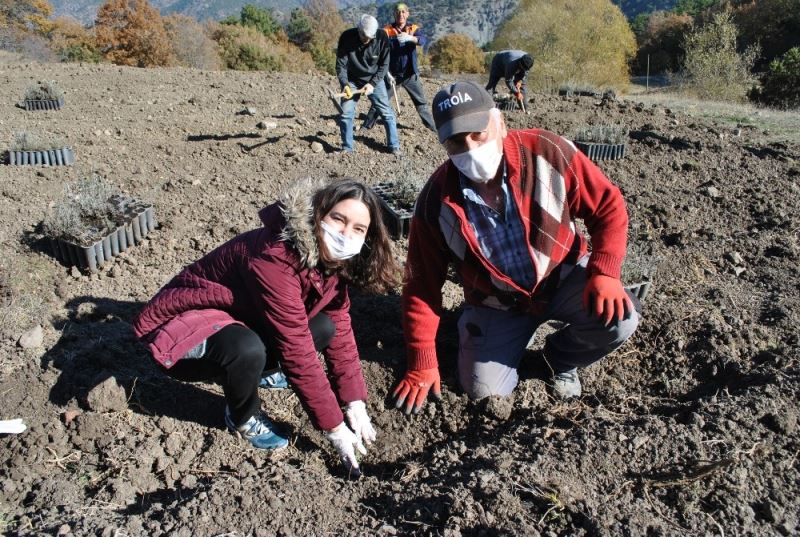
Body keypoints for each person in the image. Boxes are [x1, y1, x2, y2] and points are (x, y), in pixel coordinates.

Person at [391, 81, 641, 414]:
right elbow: (421, 287)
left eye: (478, 133)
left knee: (621, 319)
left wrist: (605, 271)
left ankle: (559, 359)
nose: (469, 148)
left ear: (500, 123)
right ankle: (483, 334)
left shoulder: (546, 153)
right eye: (455, 141)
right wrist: (422, 361)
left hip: (563, 277)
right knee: (484, 393)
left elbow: (608, 206)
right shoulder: (437, 202)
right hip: (497, 303)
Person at [134, 179, 399, 476]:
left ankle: (263, 373)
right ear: (318, 214)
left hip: (242, 317)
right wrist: (334, 428)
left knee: (324, 327)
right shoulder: (275, 257)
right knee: (247, 350)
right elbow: (296, 350)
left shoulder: (333, 261)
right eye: (338, 219)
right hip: (182, 336)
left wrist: (354, 401)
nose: (345, 234)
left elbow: (340, 325)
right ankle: (242, 416)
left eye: (358, 229)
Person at [361, 3, 436, 132]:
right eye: (397, 12)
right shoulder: (387, 30)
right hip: (392, 76)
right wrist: (386, 73)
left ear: (407, 14)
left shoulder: (413, 29)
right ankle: (366, 126)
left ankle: (433, 128)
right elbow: (378, 49)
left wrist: (411, 38)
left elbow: (423, 40)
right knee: (379, 101)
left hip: (410, 75)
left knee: (421, 104)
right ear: (394, 14)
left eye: (403, 12)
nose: (400, 14)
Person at [335, 14, 400, 155]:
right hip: (351, 80)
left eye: (371, 37)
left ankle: (394, 146)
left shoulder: (382, 37)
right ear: (359, 30)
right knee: (346, 114)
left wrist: (372, 84)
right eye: (365, 36)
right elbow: (341, 66)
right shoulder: (347, 37)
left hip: (374, 79)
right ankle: (347, 148)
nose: (368, 39)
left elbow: (384, 64)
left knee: (386, 113)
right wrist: (345, 84)